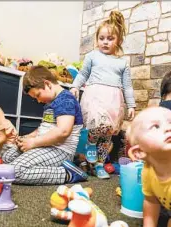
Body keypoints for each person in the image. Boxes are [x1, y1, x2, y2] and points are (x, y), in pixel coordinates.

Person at [70, 10, 136, 179]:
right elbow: (83, 74)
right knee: (95, 125)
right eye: (102, 38)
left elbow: (127, 86)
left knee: (107, 133)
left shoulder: (122, 62)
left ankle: (99, 164)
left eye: (110, 39)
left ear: (118, 40)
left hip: (114, 100)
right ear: (97, 39)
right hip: (95, 97)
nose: (105, 42)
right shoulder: (92, 56)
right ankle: (91, 144)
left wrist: (132, 105)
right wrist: (75, 86)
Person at [2, 66, 88, 185]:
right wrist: (28, 137)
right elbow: (44, 128)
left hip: (60, 150)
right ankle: (47, 169)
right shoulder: (50, 101)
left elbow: (63, 131)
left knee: (14, 172)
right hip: (45, 145)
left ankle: (68, 174)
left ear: (47, 84)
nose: (38, 101)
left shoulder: (65, 99)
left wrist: (33, 143)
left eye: (37, 95)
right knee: (7, 157)